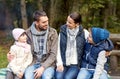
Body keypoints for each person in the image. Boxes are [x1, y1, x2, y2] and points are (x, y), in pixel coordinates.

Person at [24, 10, 58, 79]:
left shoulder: (53, 32)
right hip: (32, 63)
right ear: (36, 22)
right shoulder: (27, 33)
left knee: (47, 77)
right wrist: (11, 54)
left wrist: (42, 67)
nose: (47, 24)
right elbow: (19, 45)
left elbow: (53, 54)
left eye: (47, 21)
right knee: (28, 77)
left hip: (48, 63)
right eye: (44, 22)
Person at [55, 12, 89, 79]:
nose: (67, 23)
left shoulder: (84, 33)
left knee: (67, 78)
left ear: (77, 24)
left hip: (75, 64)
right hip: (63, 62)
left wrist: (108, 48)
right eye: (67, 21)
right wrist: (59, 63)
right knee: (58, 77)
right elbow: (58, 48)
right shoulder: (62, 31)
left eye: (70, 22)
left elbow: (97, 40)